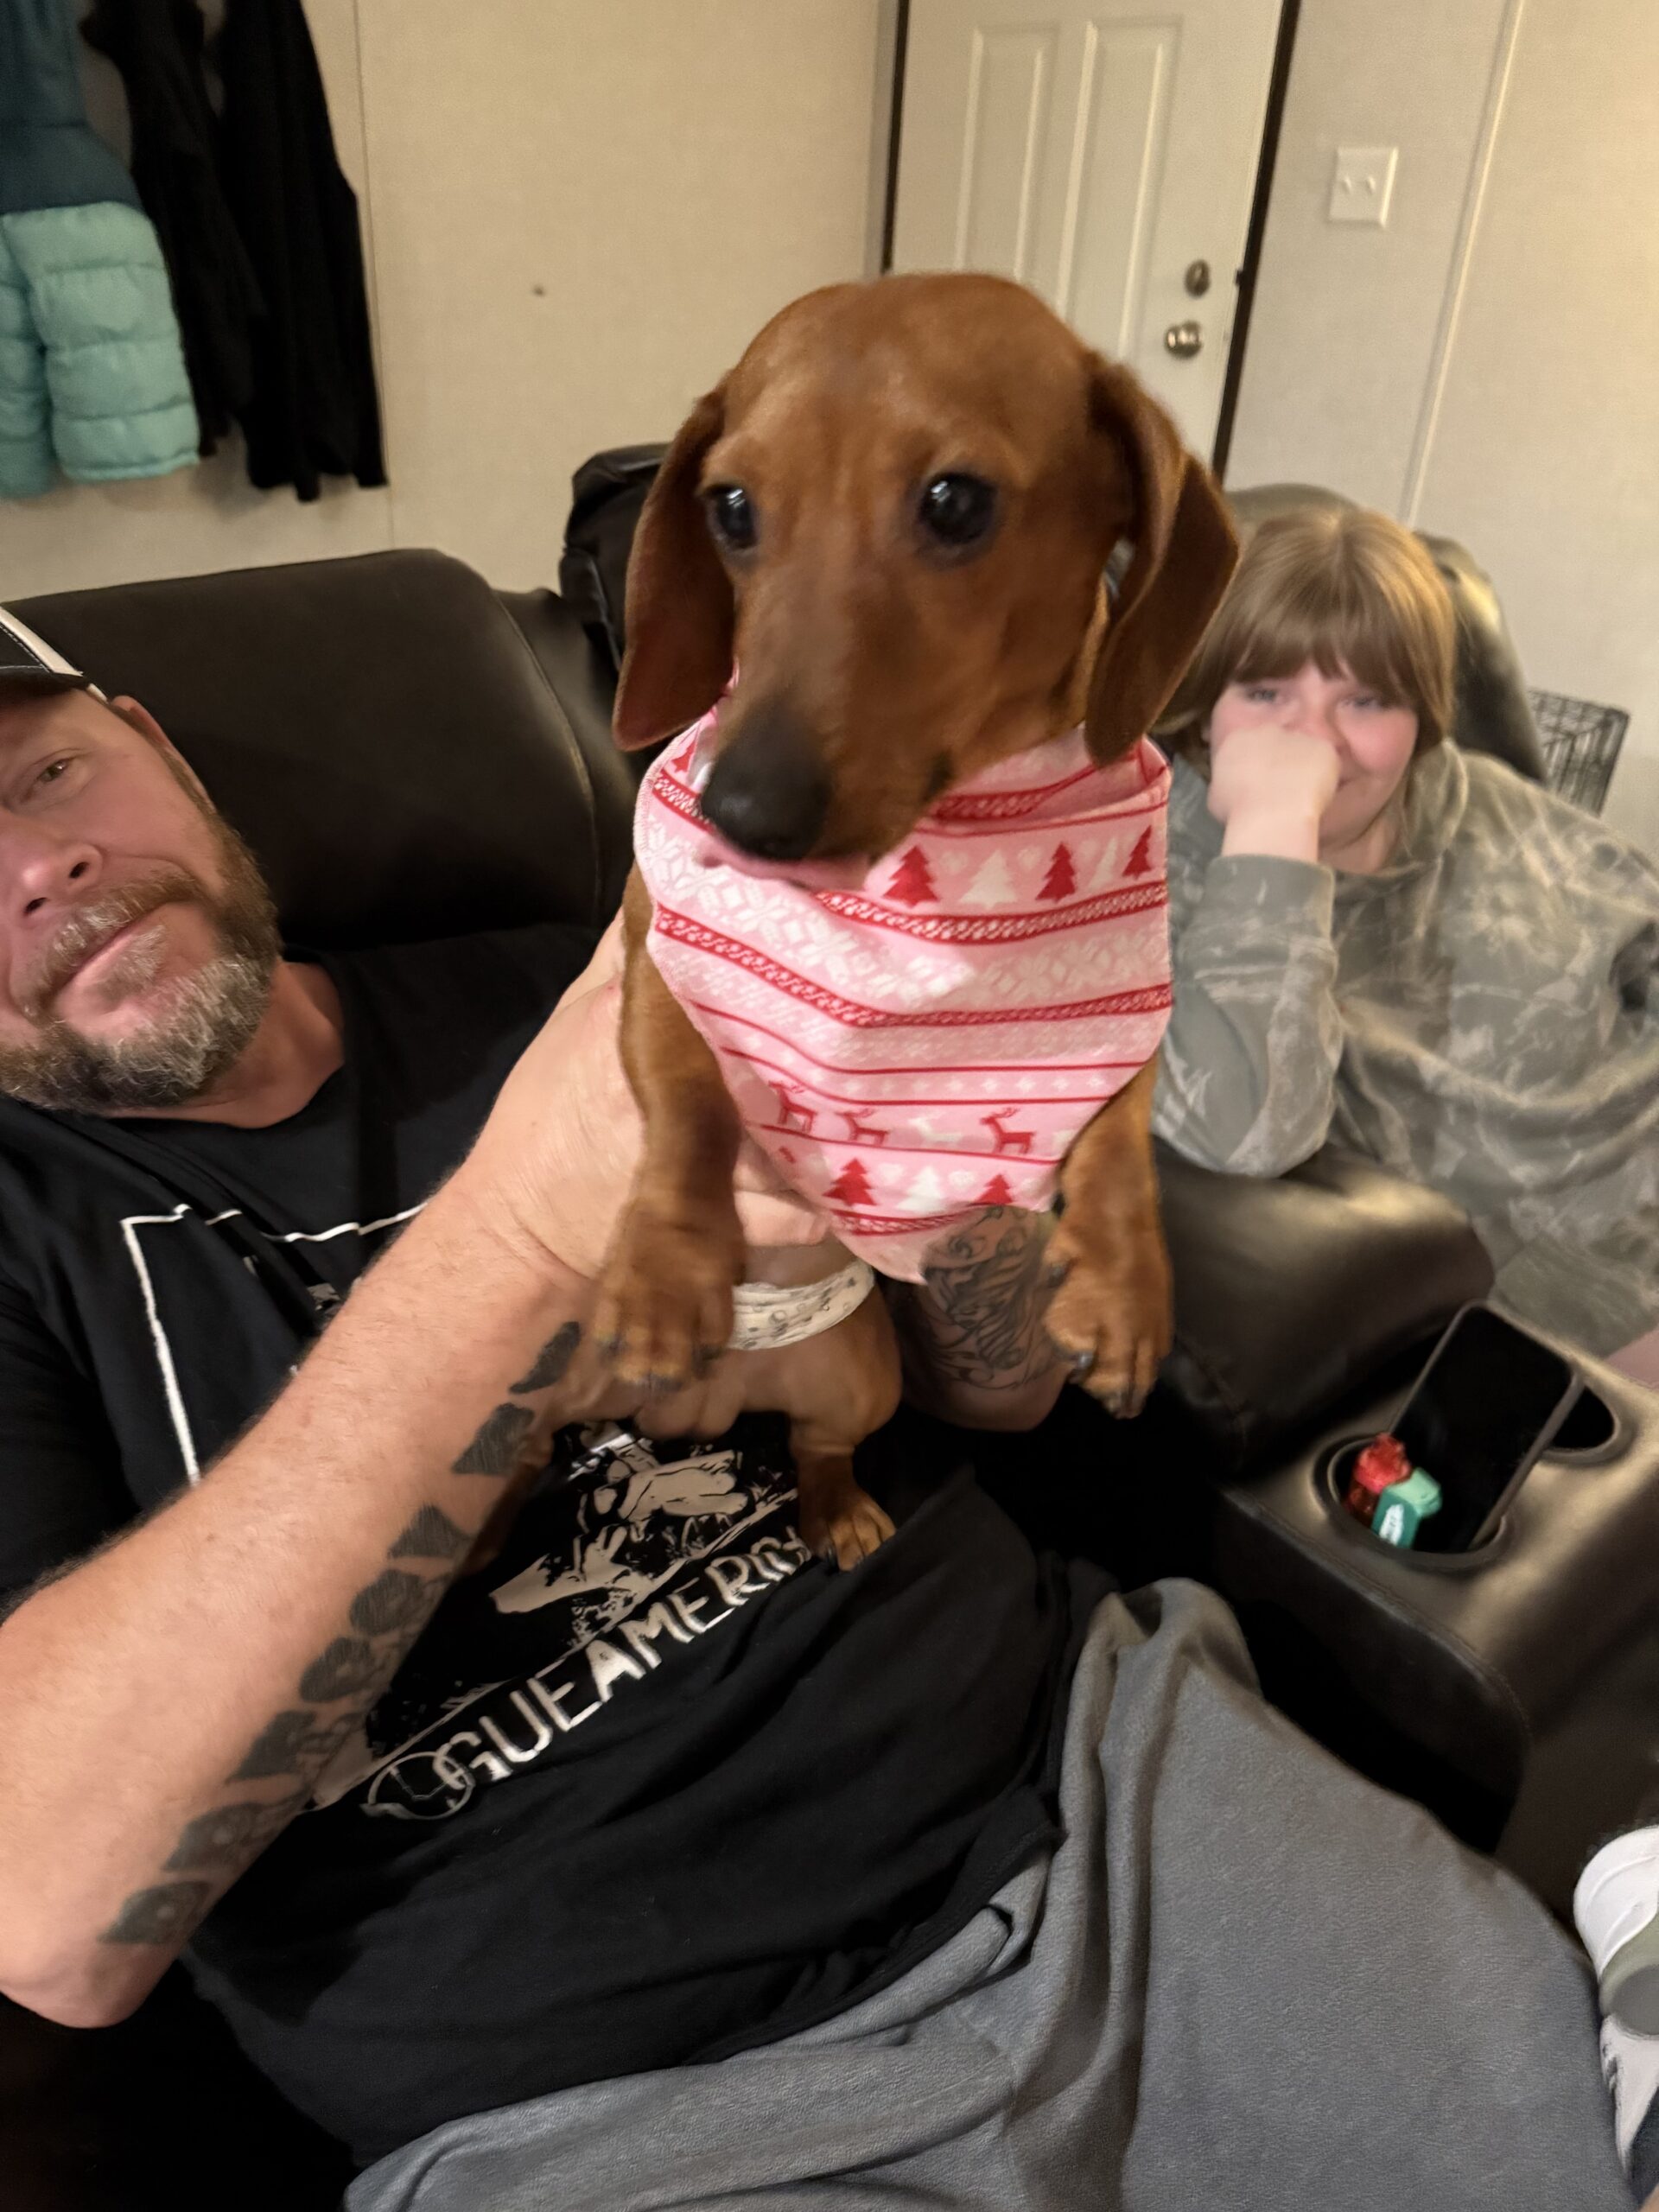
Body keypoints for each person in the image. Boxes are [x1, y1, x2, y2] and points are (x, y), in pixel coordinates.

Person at [0, 613, 1637, 2212]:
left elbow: (1001, 1393)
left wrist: (955, 1180)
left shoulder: (564, 971)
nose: (38, 868)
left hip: (1116, 1802)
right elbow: (58, 1925)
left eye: (49, 774)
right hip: (636, 2122)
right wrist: (516, 1239)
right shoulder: (27, 1248)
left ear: (154, 744)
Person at [1152, 503, 1659, 1364]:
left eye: (1367, 700)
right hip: (1580, 1311)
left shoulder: (1481, 800)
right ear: (1204, 711)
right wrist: (1274, 828)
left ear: (1420, 719)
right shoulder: (1153, 871)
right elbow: (1245, 1133)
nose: (1314, 740)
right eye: (1265, 692)